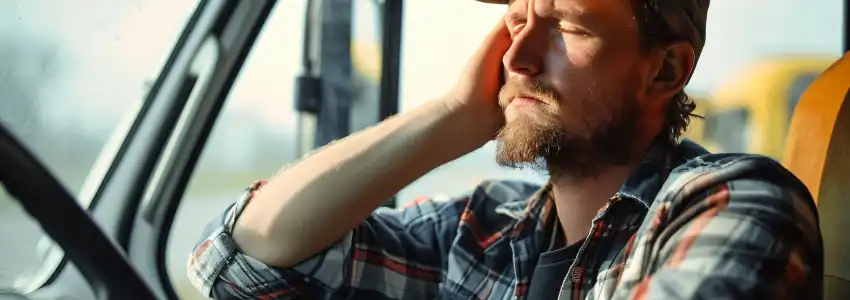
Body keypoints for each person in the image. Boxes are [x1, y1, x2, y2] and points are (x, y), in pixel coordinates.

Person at [187, 0, 823, 299]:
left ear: (664, 71)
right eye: (515, 22)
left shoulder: (736, 198)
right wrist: (450, 118)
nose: (516, 56)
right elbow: (244, 264)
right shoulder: (479, 230)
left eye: (566, 26)